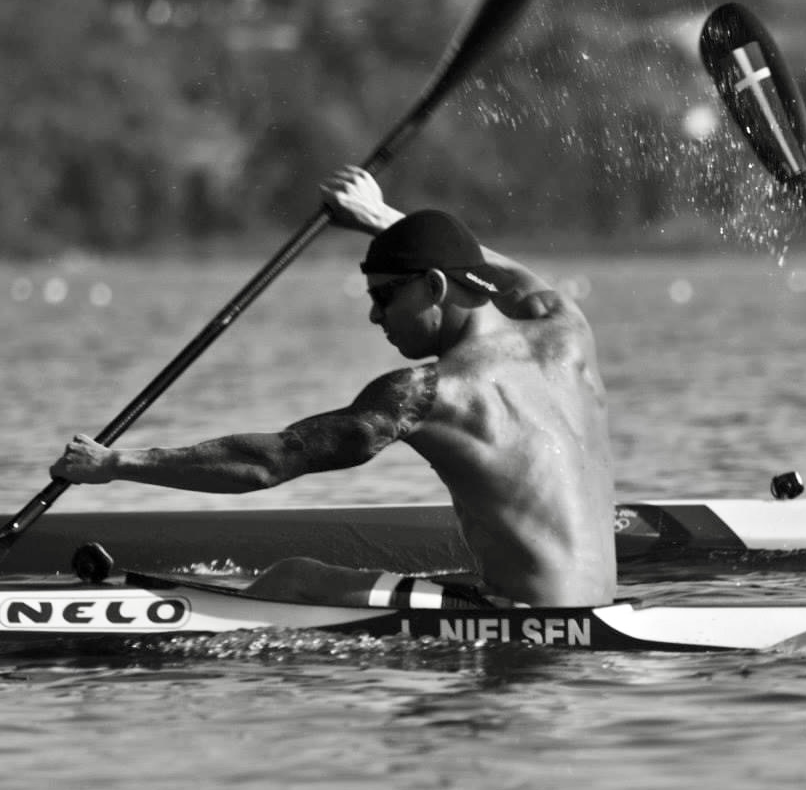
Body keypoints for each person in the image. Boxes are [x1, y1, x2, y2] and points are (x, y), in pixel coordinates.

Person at [50, 166, 616, 607]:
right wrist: (382, 217)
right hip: (598, 613)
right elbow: (503, 276)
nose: (375, 317)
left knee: (294, 578)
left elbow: (272, 462)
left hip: (518, 621)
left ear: (436, 286)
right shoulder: (566, 332)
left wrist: (118, 464)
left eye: (384, 296)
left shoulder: (431, 392)